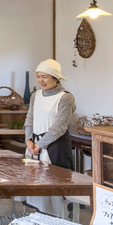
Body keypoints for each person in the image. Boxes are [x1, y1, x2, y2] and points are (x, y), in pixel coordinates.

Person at [22, 58, 77, 215]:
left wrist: (39, 145)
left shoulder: (65, 98)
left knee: (53, 188)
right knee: (34, 188)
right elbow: (30, 118)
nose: (41, 80)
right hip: (34, 146)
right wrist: (28, 141)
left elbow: (59, 127)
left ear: (55, 77)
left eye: (45, 76)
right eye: (38, 76)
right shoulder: (36, 95)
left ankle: (58, 223)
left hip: (54, 147)